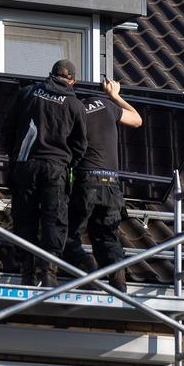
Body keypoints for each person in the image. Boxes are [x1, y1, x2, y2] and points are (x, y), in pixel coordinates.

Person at [9, 59, 87, 288]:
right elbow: (80, 145)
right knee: (54, 219)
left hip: (26, 165)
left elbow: (8, 128)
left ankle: (26, 273)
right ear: (72, 81)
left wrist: (14, 160)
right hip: (56, 169)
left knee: (25, 217)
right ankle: (49, 274)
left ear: (50, 74)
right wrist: (67, 163)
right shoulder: (75, 106)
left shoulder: (26, 94)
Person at [62, 76, 143, 292]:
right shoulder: (108, 105)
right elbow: (137, 120)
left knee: (68, 233)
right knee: (107, 235)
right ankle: (118, 282)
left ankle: (87, 267)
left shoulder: (73, 110)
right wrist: (115, 96)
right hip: (111, 184)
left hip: (86, 181)